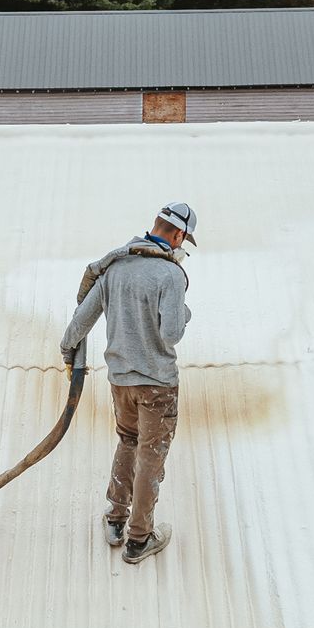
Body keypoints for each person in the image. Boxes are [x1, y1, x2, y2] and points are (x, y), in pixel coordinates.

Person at [60, 202, 196, 564]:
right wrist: (184, 311)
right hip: (158, 386)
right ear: (179, 236)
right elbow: (171, 334)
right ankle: (139, 539)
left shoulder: (115, 267)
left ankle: (116, 519)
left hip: (120, 381)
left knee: (128, 441)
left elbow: (82, 318)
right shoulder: (171, 275)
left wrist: (67, 348)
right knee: (151, 456)